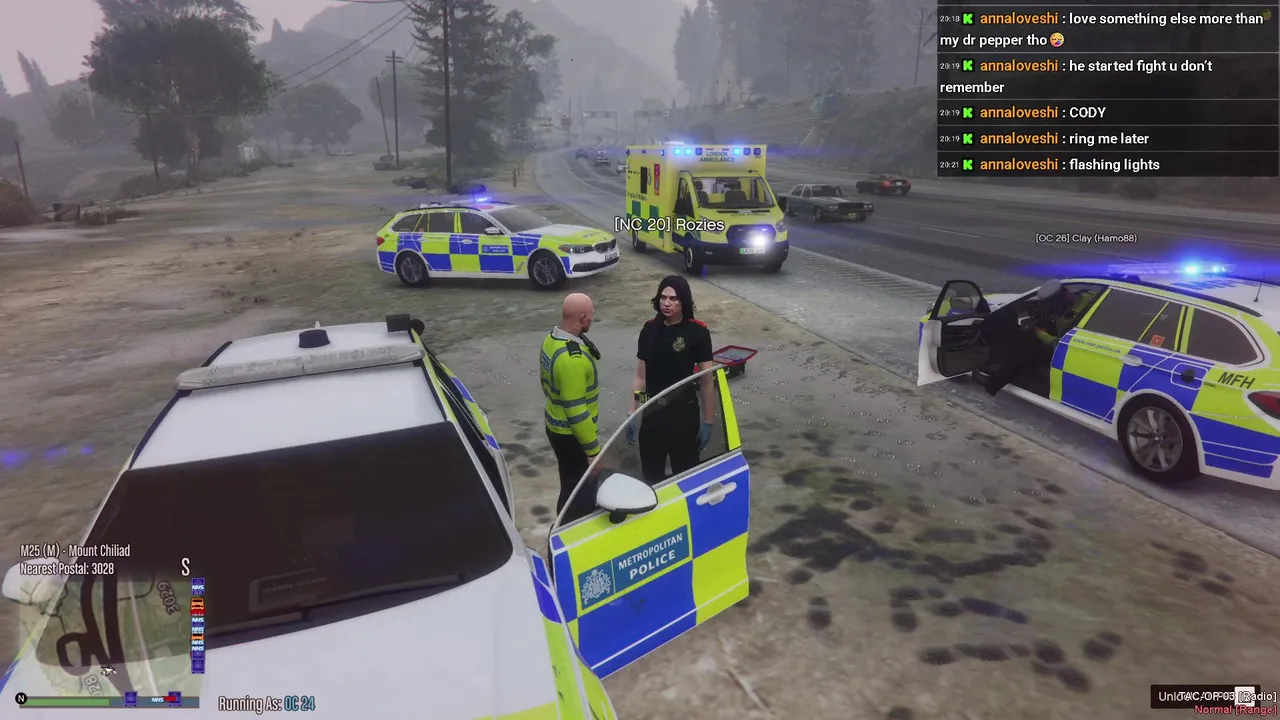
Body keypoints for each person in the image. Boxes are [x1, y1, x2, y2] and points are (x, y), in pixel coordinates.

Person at [628, 276, 718, 485]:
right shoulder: (649, 330)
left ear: (683, 301)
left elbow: (706, 381)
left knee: (686, 477)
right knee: (651, 478)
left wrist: (708, 420)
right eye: (663, 297)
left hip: (683, 415)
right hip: (652, 412)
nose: (666, 303)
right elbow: (640, 376)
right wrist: (632, 411)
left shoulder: (697, 332)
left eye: (673, 299)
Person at [540, 293, 604, 523]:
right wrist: (593, 452)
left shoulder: (550, 340)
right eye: (591, 316)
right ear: (583, 318)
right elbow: (576, 412)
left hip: (555, 427)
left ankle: (566, 521)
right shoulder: (572, 359)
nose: (592, 320)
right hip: (572, 436)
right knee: (579, 490)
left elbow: (545, 384)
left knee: (568, 481)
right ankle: (572, 527)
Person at [979, 282, 1097, 395]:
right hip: (1073, 342)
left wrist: (1038, 332)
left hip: (1074, 351)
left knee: (1029, 348)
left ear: (1062, 296)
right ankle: (999, 367)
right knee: (1027, 340)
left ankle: (993, 384)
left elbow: (1059, 344)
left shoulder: (1086, 306)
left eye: (1054, 303)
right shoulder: (1092, 298)